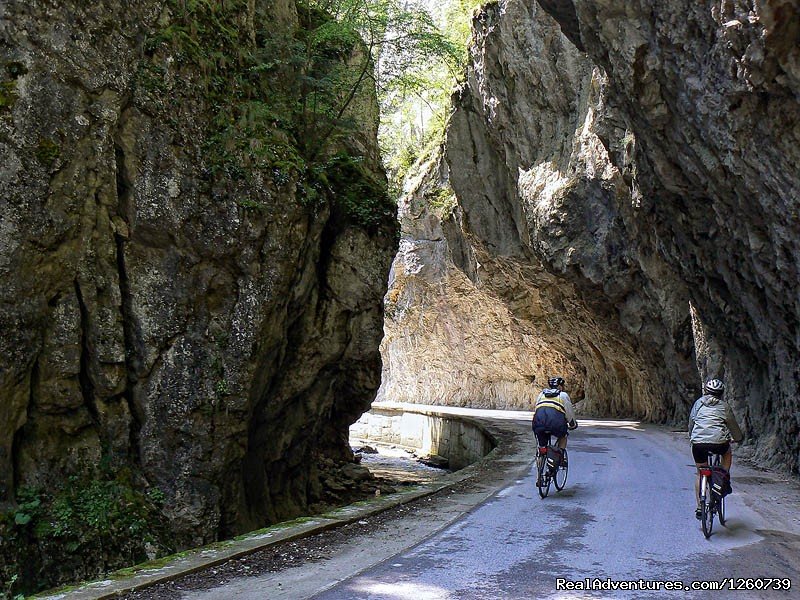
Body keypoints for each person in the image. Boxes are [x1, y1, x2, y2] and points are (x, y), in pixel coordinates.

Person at [689, 378, 744, 519]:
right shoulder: (724, 406)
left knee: (701, 473)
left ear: (706, 391)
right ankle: (723, 477)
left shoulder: (698, 404)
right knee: (727, 452)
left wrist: (692, 437)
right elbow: (732, 425)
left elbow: (691, 423)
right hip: (719, 443)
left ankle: (700, 507)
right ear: (721, 393)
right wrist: (738, 438)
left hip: (699, 444)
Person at [532, 376, 577, 479]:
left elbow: (537, 409)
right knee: (563, 436)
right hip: (556, 424)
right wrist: (572, 424)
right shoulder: (563, 395)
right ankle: (560, 457)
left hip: (539, 423)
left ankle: (539, 475)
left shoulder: (541, 394)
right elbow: (569, 412)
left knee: (541, 447)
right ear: (560, 386)